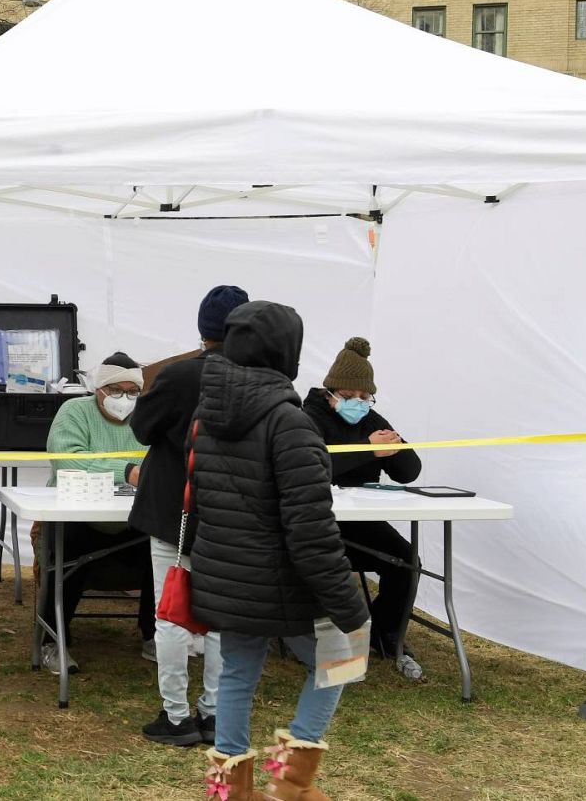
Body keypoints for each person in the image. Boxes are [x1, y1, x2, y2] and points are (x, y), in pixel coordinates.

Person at [189, 301, 369, 801]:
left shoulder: (206, 416)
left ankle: (227, 792)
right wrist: (349, 605)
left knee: (238, 672)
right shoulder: (290, 422)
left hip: (228, 575)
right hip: (283, 579)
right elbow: (310, 529)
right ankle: (291, 782)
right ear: (287, 352)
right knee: (342, 658)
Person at [128, 284, 248, 747]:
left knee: (172, 613)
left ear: (202, 329)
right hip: (231, 511)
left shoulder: (179, 377)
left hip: (173, 510)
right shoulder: (258, 379)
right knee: (219, 618)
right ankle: (214, 713)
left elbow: (141, 427)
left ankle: (176, 716)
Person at [303, 337, 425, 681]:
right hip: (315, 519)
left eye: (364, 397)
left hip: (359, 520)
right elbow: (312, 465)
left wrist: (396, 447)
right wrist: (366, 450)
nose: (358, 403)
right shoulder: (307, 416)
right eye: (349, 396)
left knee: (406, 561)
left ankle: (387, 634)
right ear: (330, 392)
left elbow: (409, 472)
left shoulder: (371, 419)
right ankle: (310, 634)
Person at [32, 353, 154, 677]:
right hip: (79, 518)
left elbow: (160, 463)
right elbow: (67, 461)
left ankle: (154, 634)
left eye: (132, 391)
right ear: (99, 389)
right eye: (116, 390)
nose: (124, 399)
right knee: (64, 556)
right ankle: (52, 640)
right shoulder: (73, 412)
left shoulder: (147, 417)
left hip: (131, 520)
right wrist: (126, 470)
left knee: (163, 545)